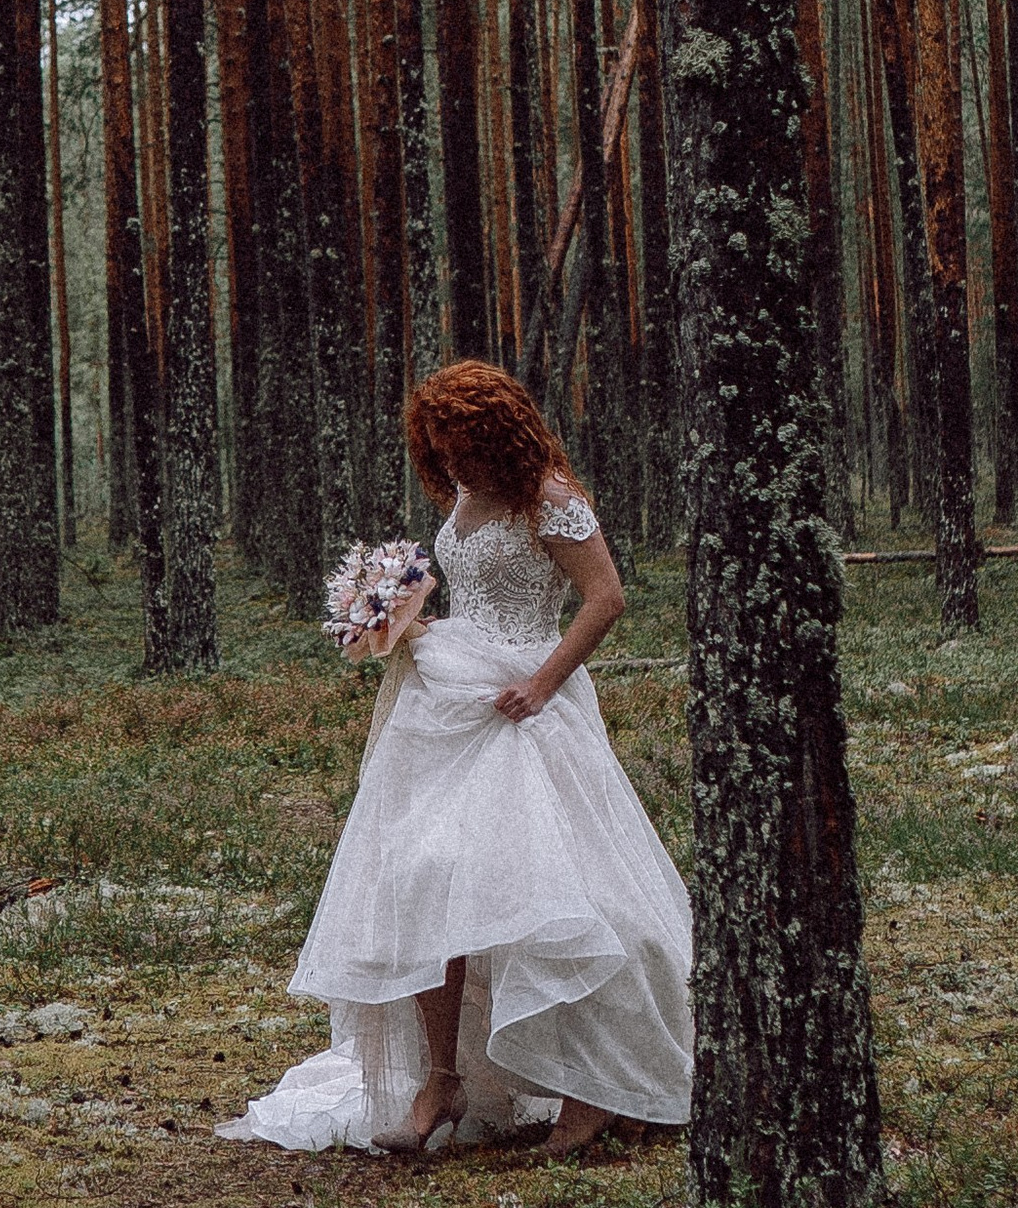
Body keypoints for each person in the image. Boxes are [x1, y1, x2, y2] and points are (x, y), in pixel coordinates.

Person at [220, 359, 693, 1160]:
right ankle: (442, 1078)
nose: (451, 464)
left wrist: (542, 684)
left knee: (559, 890)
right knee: (424, 878)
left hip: (526, 708)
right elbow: (471, 591)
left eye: (464, 446)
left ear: (499, 434)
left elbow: (605, 597)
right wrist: (402, 620)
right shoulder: (467, 497)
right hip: (446, 698)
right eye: (438, 449)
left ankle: (590, 1088)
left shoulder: (551, 500)